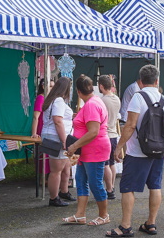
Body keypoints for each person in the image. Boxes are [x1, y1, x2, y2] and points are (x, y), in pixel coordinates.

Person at [108, 64, 164, 238]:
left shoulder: (138, 98)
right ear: (157, 80)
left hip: (138, 151)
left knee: (128, 187)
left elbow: (130, 125)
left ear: (141, 80)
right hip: (158, 150)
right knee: (155, 186)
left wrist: (119, 146)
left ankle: (125, 226)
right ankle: (151, 224)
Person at [62, 75, 111, 226]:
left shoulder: (90, 105)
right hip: (87, 150)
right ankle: (80, 215)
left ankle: (104, 215)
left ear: (77, 91)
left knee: (95, 183)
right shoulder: (94, 102)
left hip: (93, 150)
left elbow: (93, 131)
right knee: (81, 180)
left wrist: (75, 145)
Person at [40, 77, 75, 207]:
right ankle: (54, 198)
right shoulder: (59, 101)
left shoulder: (51, 99)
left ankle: (63, 192)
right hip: (57, 137)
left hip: (50, 135)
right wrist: (64, 140)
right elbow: (57, 121)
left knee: (65, 166)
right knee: (56, 170)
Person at [98, 75, 121, 200]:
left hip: (105, 134)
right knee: (111, 163)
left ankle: (109, 189)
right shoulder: (116, 99)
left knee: (106, 164)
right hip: (113, 134)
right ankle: (111, 186)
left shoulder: (102, 100)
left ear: (101, 86)